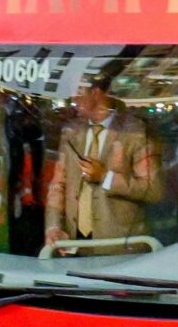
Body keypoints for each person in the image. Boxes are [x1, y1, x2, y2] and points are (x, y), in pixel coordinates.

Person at [43, 78, 163, 253]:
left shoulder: (135, 132)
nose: (73, 99)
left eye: (78, 92)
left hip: (121, 247)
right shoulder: (71, 132)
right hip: (73, 244)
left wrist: (106, 178)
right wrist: (53, 227)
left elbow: (154, 190)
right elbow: (58, 185)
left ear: (96, 92)